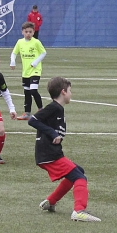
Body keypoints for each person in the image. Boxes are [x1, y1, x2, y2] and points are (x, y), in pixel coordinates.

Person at [28, 76, 99, 222]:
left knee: (78, 171)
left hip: (51, 153)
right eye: (70, 90)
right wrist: (52, 133)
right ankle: (79, 211)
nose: (71, 93)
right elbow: (32, 120)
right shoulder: (53, 107)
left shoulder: (58, 108)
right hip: (49, 154)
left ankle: (51, 201)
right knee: (80, 177)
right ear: (63, 92)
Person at [10, 21, 47, 120]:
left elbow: (43, 53)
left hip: (35, 70)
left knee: (33, 90)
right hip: (25, 71)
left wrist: (35, 62)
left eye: (30, 32)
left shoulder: (36, 42)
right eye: (26, 32)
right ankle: (27, 113)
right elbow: (14, 53)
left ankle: (41, 110)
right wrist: (12, 61)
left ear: (33, 32)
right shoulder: (20, 42)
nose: (28, 34)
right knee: (27, 92)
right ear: (22, 32)